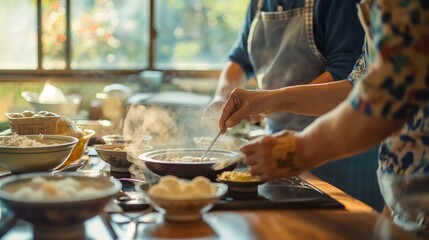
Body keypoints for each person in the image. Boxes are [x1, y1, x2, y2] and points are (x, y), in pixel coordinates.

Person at [220, 0, 429, 234]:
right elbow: (355, 89)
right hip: (402, 195)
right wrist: (266, 100)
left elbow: (385, 100)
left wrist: (299, 150)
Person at [204, 0, 365, 134]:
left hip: (334, 139)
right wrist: (222, 96)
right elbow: (240, 58)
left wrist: (269, 102)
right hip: (278, 135)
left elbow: (345, 76)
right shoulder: (259, 3)